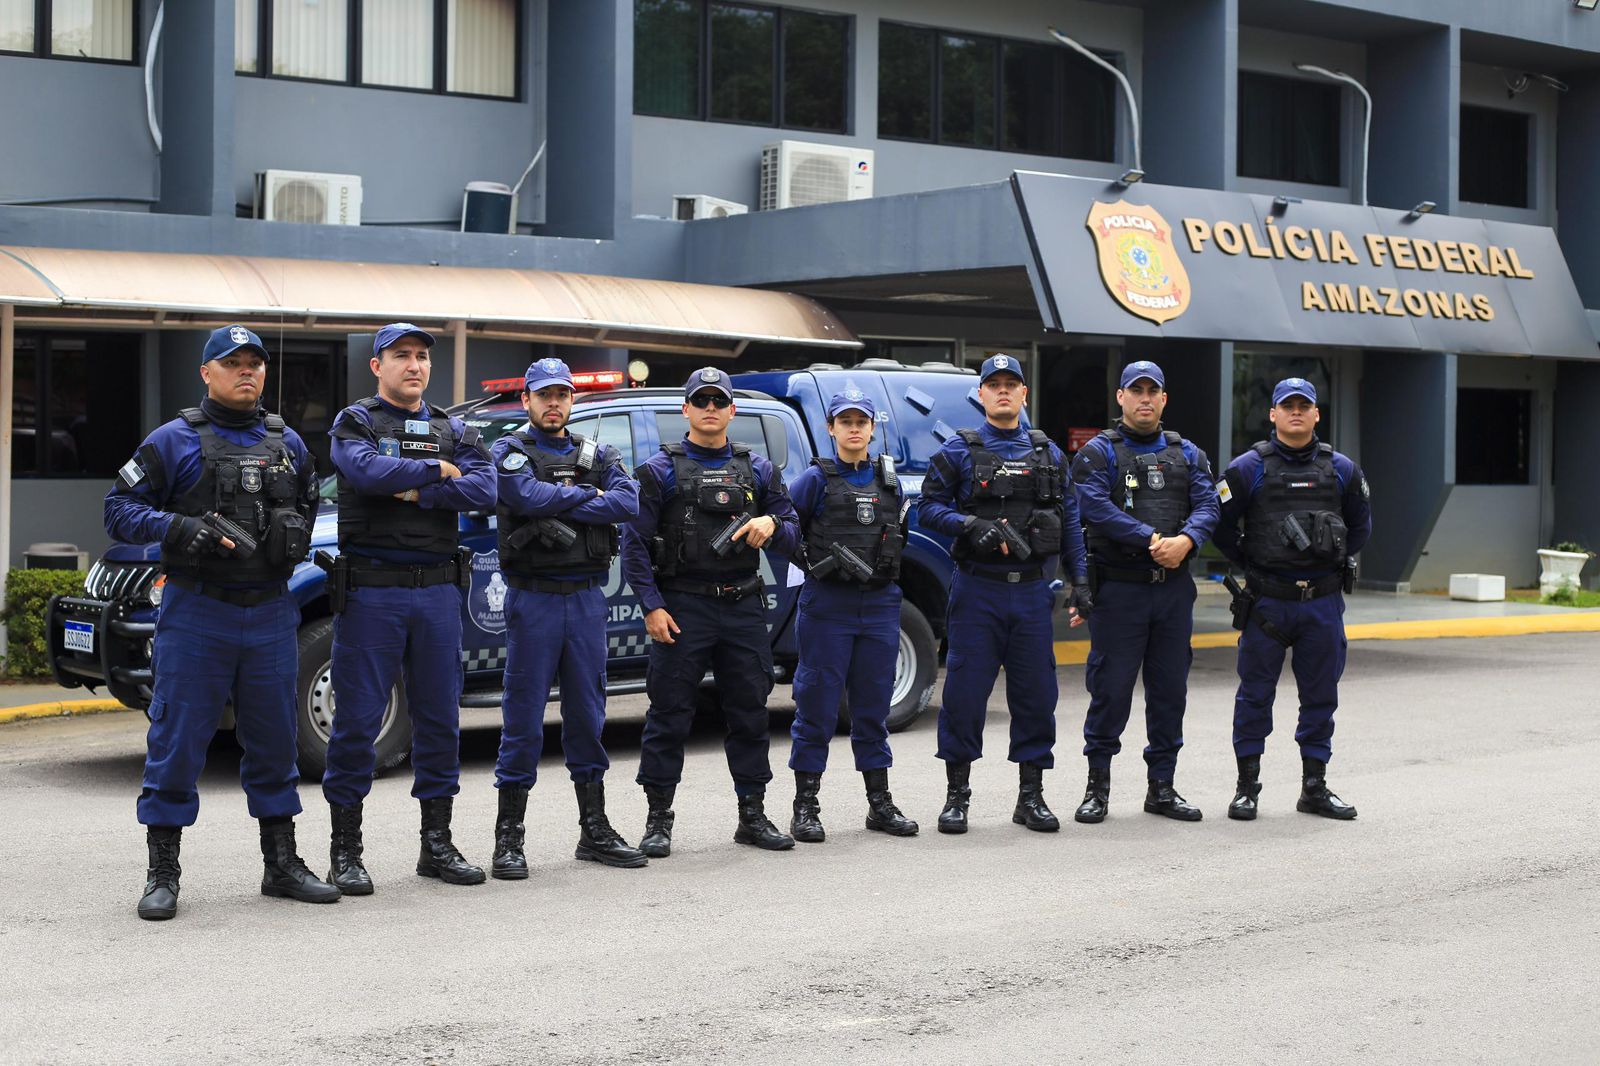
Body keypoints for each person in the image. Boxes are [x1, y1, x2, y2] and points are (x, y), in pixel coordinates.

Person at [106, 325, 337, 920]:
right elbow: (118, 510)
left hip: (270, 610)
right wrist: (177, 527)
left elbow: (309, 505)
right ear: (206, 373)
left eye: (255, 363)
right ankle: (163, 874)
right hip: (198, 610)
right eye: (233, 363)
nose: (247, 371)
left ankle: (281, 865)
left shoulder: (289, 444)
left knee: (276, 742)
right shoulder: (171, 440)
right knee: (178, 741)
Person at [322, 322, 496, 891]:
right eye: (401, 355)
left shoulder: (454, 427)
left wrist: (415, 490)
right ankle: (346, 851)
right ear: (378, 366)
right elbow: (364, 471)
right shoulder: (356, 422)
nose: (414, 365)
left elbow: (485, 489)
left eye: (421, 355)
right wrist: (437, 470)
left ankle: (437, 845)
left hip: (438, 593)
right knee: (358, 722)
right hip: (373, 592)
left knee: (440, 719)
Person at [620, 367, 802, 854]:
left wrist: (771, 522)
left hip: (742, 604)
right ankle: (658, 820)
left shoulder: (760, 470)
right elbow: (633, 547)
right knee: (669, 714)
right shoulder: (658, 470)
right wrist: (652, 607)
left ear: (731, 411)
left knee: (750, 713)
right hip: (684, 607)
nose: (709, 408)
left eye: (718, 401)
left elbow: (793, 530)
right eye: (700, 400)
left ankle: (753, 816)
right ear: (685, 410)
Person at [919, 354, 1092, 834]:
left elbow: (1072, 522)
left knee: (1036, 696)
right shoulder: (958, 450)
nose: (1002, 391)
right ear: (980, 394)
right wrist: (968, 524)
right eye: (992, 384)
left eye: (1010, 384)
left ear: (1023, 394)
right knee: (965, 695)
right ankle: (957, 798)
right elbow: (927, 508)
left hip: (1032, 592)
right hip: (978, 591)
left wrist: (1080, 583)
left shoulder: (1049, 454)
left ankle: (1030, 797)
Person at [489, 357, 646, 876]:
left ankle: (594, 831)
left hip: (584, 600)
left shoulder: (597, 453)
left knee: (587, 717)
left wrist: (557, 503)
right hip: (533, 598)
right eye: (544, 395)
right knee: (522, 721)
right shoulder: (509, 450)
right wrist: (584, 496)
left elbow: (627, 501)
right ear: (527, 400)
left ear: (571, 400)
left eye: (561, 394)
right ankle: (509, 839)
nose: (553, 403)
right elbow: (520, 493)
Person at [1213, 377, 1372, 821]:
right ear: (1273, 414)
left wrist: (1328, 558)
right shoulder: (1247, 468)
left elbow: (1360, 527)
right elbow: (1220, 527)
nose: (1296, 412)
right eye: (1288, 406)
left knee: (1320, 696)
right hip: (1267, 602)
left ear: (1317, 414)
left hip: (1321, 601)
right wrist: (1252, 559)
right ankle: (1247, 788)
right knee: (1254, 696)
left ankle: (1314, 788)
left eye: (1304, 405)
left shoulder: (1342, 469)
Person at [1069, 361, 1219, 824]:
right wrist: (1151, 540)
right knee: (1110, 690)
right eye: (1136, 391)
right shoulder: (1098, 453)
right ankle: (1097, 789)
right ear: (1121, 397)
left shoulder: (1187, 454)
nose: (1145, 399)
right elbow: (1093, 506)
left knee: (1170, 692)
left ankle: (1162, 788)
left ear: (1164, 399)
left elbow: (1209, 504)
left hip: (1172, 592)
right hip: (1121, 592)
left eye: (1153, 391)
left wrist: (1187, 540)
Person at [784, 389, 918, 842]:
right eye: (846, 421)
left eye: (862, 421)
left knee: (873, 708)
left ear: (872, 428)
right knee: (816, 707)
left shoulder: (889, 481)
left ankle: (880, 804)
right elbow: (784, 528)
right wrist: (812, 562)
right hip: (828, 606)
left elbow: (898, 535)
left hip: (879, 605)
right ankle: (805, 807)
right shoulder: (814, 480)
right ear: (831, 428)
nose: (854, 428)